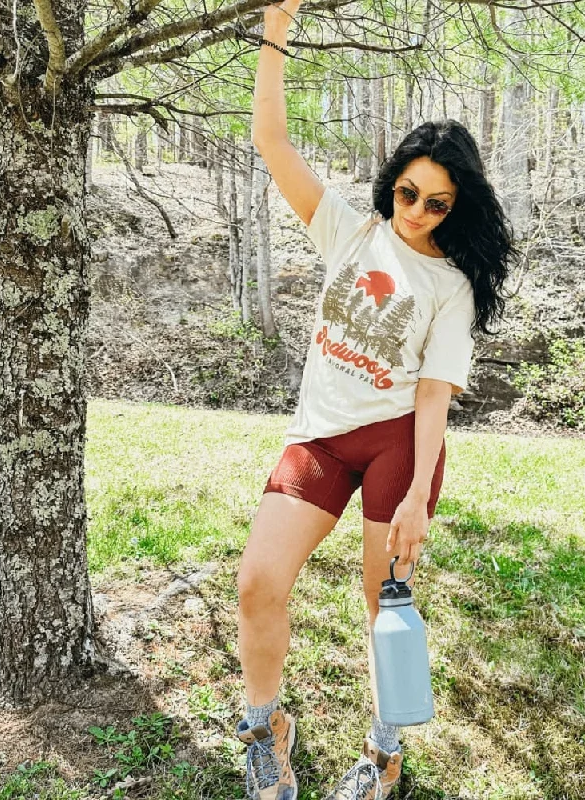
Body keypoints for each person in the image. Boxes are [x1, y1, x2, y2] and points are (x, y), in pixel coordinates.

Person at [235, 1, 516, 797]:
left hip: (398, 441)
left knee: (380, 603)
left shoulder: (451, 286)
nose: (420, 212)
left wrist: (419, 498)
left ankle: (385, 751)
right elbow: (271, 142)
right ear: (393, 182)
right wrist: (276, 27)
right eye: (410, 193)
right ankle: (267, 730)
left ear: (455, 211)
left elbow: (433, 397)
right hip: (320, 437)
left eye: (438, 204)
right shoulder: (350, 233)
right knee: (259, 581)